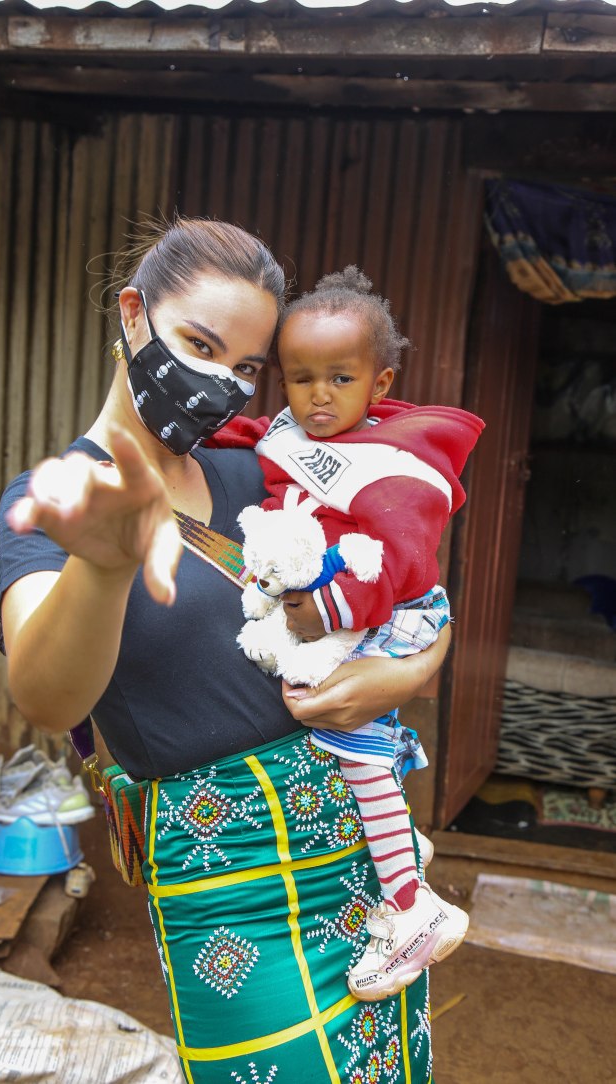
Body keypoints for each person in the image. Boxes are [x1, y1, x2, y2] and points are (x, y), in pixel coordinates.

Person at [0, 217, 452, 1084]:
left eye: (244, 368)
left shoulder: (262, 473)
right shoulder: (55, 501)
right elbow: (47, 699)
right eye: (198, 345)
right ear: (134, 315)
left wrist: (405, 671)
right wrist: (103, 565)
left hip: (360, 860)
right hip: (228, 882)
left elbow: (407, 586)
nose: (220, 385)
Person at [209, 267, 484, 1001]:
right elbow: (252, 433)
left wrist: (323, 611)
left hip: (388, 610)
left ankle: (412, 907)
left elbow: (402, 562)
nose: (318, 396)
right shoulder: (289, 434)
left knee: (343, 733)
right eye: (300, 379)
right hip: (344, 607)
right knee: (337, 735)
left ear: (379, 379)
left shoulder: (396, 466)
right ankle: (399, 840)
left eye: (339, 377)